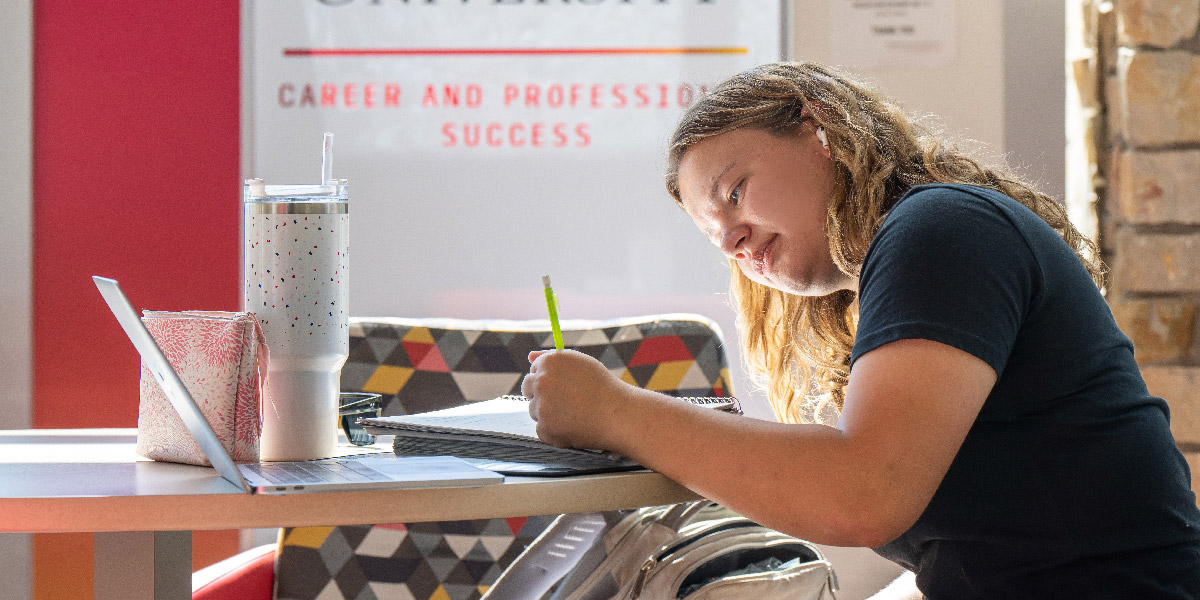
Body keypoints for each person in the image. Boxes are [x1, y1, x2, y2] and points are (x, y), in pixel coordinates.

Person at [519, 62, 1200, 599]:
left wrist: (615, 411)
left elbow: (863, 493)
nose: (732, 238)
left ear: (820, 130)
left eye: (733, 193)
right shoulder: (925, 244)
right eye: (713, 234)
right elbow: (979, 556)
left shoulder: (940, 228)